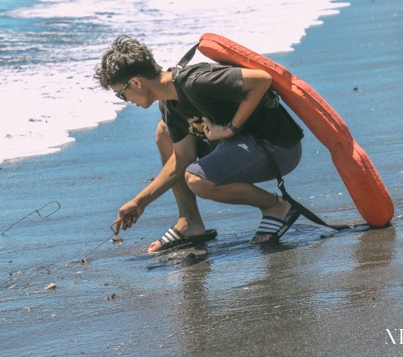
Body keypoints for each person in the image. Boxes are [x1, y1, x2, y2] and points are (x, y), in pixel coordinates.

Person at [94, 36, 305, 251]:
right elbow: (181, 158)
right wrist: (140, 202)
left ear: (137, 82)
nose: (126, 100)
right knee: (164, 132)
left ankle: (275, 207)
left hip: (276, 148)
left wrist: (230, 128)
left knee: (197, 179)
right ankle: (190, 222)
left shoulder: (196, 82)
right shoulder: (168, 104)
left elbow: (261, 79)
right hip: (239, 144)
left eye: (121, 94)